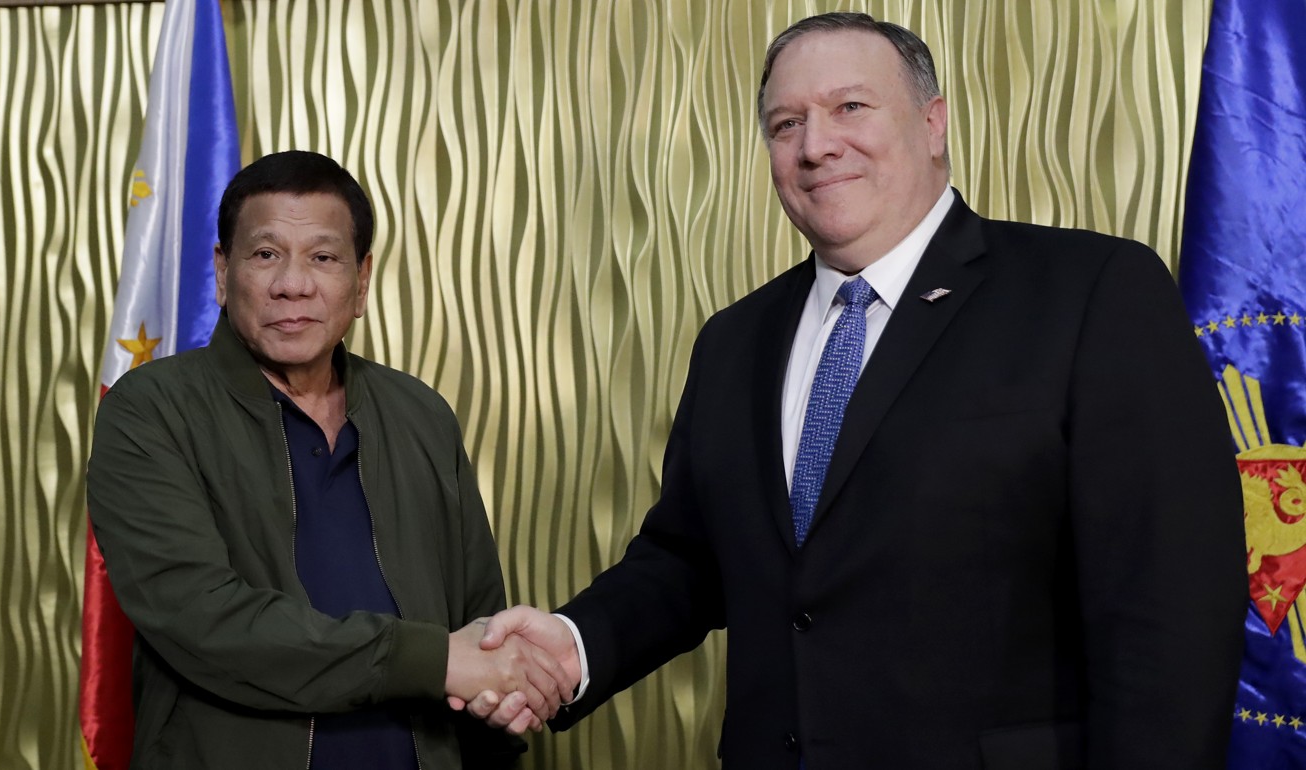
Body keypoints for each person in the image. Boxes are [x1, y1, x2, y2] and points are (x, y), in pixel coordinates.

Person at [461, 12, 1248, 769]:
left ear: (934, 123)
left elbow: (1171, 613)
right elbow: (688, 560)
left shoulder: (1091, 293)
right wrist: (574, 645)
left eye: (849, 107)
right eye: (785, 124)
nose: (816, 145)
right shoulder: (735, 341)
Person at [86, 150, 572, 769]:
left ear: (361, 280)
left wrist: (500, 697)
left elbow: (480, 618)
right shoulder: (151, 410)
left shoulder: (421, 413)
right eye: (266, 254)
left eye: (323, 256)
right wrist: (441, 661)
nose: (293, 283)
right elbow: (206, 622)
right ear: (221, 270)